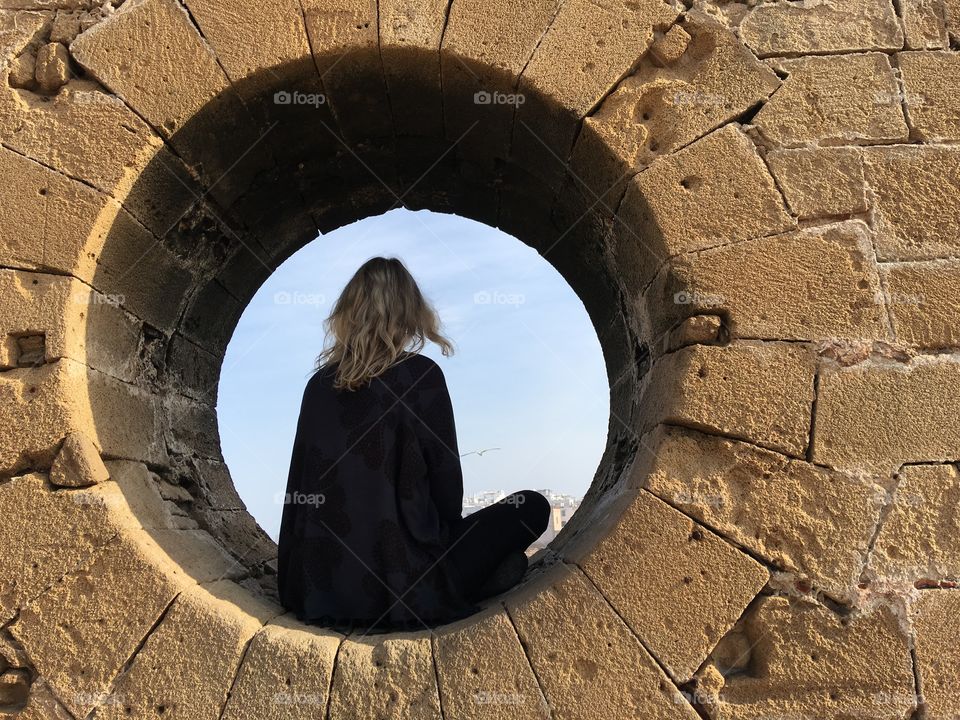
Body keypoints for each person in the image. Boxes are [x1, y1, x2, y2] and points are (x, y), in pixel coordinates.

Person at [277, 256, 550, 630]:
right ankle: (467, 585)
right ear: (409, 315)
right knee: (532, 506)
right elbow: (447, 490)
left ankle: (470, 581)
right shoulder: (421, 376)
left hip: (320, 590)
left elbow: (299, 490)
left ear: (346, 314)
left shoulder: (317, 388)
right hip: (408, 584)